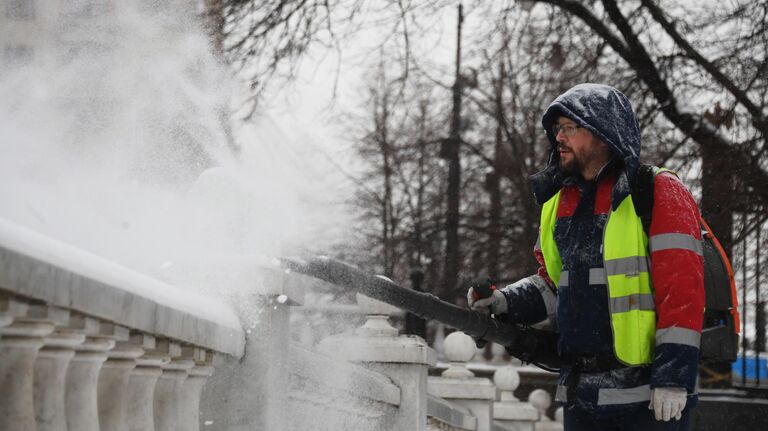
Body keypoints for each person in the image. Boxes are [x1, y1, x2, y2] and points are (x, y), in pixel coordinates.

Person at [467, 84, 704, 431]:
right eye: (557, 129)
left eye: (569, 128)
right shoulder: (559, 201)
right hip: (581, 396)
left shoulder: (657, 190)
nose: (558, 138)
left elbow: (682, 292)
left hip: (647, 401)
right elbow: (554, 284)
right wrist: (503, 301)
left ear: (602, 133)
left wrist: (673, 377)